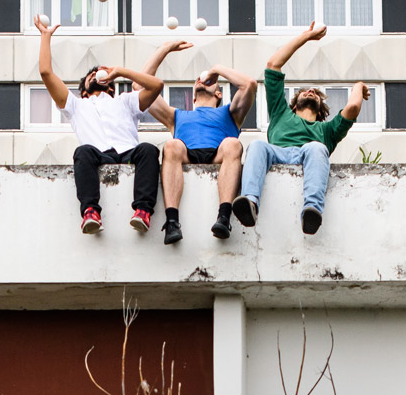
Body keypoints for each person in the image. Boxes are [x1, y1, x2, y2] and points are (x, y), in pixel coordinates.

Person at [232, 22, 369, 235]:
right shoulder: (280, 113)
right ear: (294, 104)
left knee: (316, 147)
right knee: (258, 145)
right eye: (306, 91)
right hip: (277, 153)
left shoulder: (328, 131)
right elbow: (273, 64)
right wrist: (306, 37)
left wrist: (359, 86)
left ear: (321, 108)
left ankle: (311, 210)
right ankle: (250, 202)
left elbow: (352, 107)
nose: (311, 91)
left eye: (315, 92)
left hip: (309, 155)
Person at [35, 15, 164, 234]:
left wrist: (120, 71)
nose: (97, 74)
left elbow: (156, 85)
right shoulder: (75, 105)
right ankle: (90, 212)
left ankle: (143, 211)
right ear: (84, 89)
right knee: (82, 152)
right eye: (91, 75)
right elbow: (46, 73)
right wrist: (46, 37)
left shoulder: (124, 101)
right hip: (98, 155)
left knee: (149, 150)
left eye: (101, 73)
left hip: (128, 153)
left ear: (111, 86)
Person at [137, 40, 257, 244]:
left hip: (219, 153)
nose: (201, 81)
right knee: (171, 145)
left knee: (232, 144)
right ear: (192, 97)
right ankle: (172, 221)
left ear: (219, 93)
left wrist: (216, 69)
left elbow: (249, 85)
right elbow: (139, 86)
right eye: (198, 81)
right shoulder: (176, 115)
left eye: (211, 83)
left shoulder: (229, 112)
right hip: (186, 154)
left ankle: (224, 216)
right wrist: (164, 50)